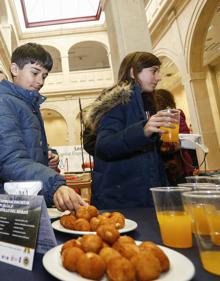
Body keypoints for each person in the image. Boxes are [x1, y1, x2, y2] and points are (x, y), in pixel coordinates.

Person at [83, 51, 179, 209]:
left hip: (146, 195)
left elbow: (146, 155)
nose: (159, 77)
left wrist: (166, 147)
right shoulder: (117, 102)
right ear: (133, 72)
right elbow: (104, 145)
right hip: (123, 198)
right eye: (153, 71)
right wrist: (144, 130)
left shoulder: (146, 102)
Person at [0, 42, 86, 211]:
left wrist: (47, 155)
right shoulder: (4, 102)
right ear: (15, 69)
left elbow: (27, 147)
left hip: (27, 199)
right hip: (12, 204)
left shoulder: (28, 103)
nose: (40, 81)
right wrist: (53, 183)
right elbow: (9, 160)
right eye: (35, 73)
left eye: (44, 76)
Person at [154, 89, 194, 185]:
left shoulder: (176, 116)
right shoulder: (157, 118)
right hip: (167, 166)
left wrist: (172, 144)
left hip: (180, 166)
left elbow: (187, 139)